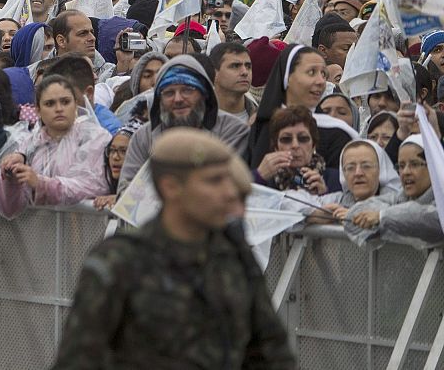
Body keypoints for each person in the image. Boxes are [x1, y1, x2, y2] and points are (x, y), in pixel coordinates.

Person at [53, 128, 294, 369]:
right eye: (214, 181)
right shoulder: (121, 261)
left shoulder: (235, 257)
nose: (229, 193)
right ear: (171, 187)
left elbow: (272, 353)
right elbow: (78, 360)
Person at [118, 55, 250, 192]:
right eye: (169, 93)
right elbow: (126, 193)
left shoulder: (232, 131)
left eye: (187, 90)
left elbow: (229, 188)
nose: (178, 99)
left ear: (204, 93)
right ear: (159, 99)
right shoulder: (143, 137)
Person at [0, 75, 111, 218]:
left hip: (87, 228)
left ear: (75, 104)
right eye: (50, 104)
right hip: (37, 229)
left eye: (65, 102)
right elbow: (9, 210)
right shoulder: (29, 144)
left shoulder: (95, 137)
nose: (59, 109)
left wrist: (43, 185)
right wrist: (10, 182)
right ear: (38, 110)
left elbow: (93, 186)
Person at [249, 45, 358, 170]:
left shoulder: (338, 133)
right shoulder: (261, 126)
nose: (321, 81)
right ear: (287, 77)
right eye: (311, 72)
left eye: (323, 74)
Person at [345, 135, 444, 247]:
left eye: (415, 164)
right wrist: (390, 216)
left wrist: (382, 216)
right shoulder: (401, 197)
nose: (406, 172)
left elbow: (436, 219)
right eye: (401, 166)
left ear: (433, 167)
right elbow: (354, 213)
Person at [254, 106, 342, 194]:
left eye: (303, 138)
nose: (295, 145)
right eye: (286, 139)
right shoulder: (265, 180)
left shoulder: (337, 179)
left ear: (313, 145)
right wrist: (258, 177)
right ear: (276, 147)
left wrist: (325, 195)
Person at [209, 42, 256, 124]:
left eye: (248, 66)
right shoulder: (194, 117)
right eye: (235, 66)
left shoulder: (263, 119)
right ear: (214, 72)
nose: (245, 72)